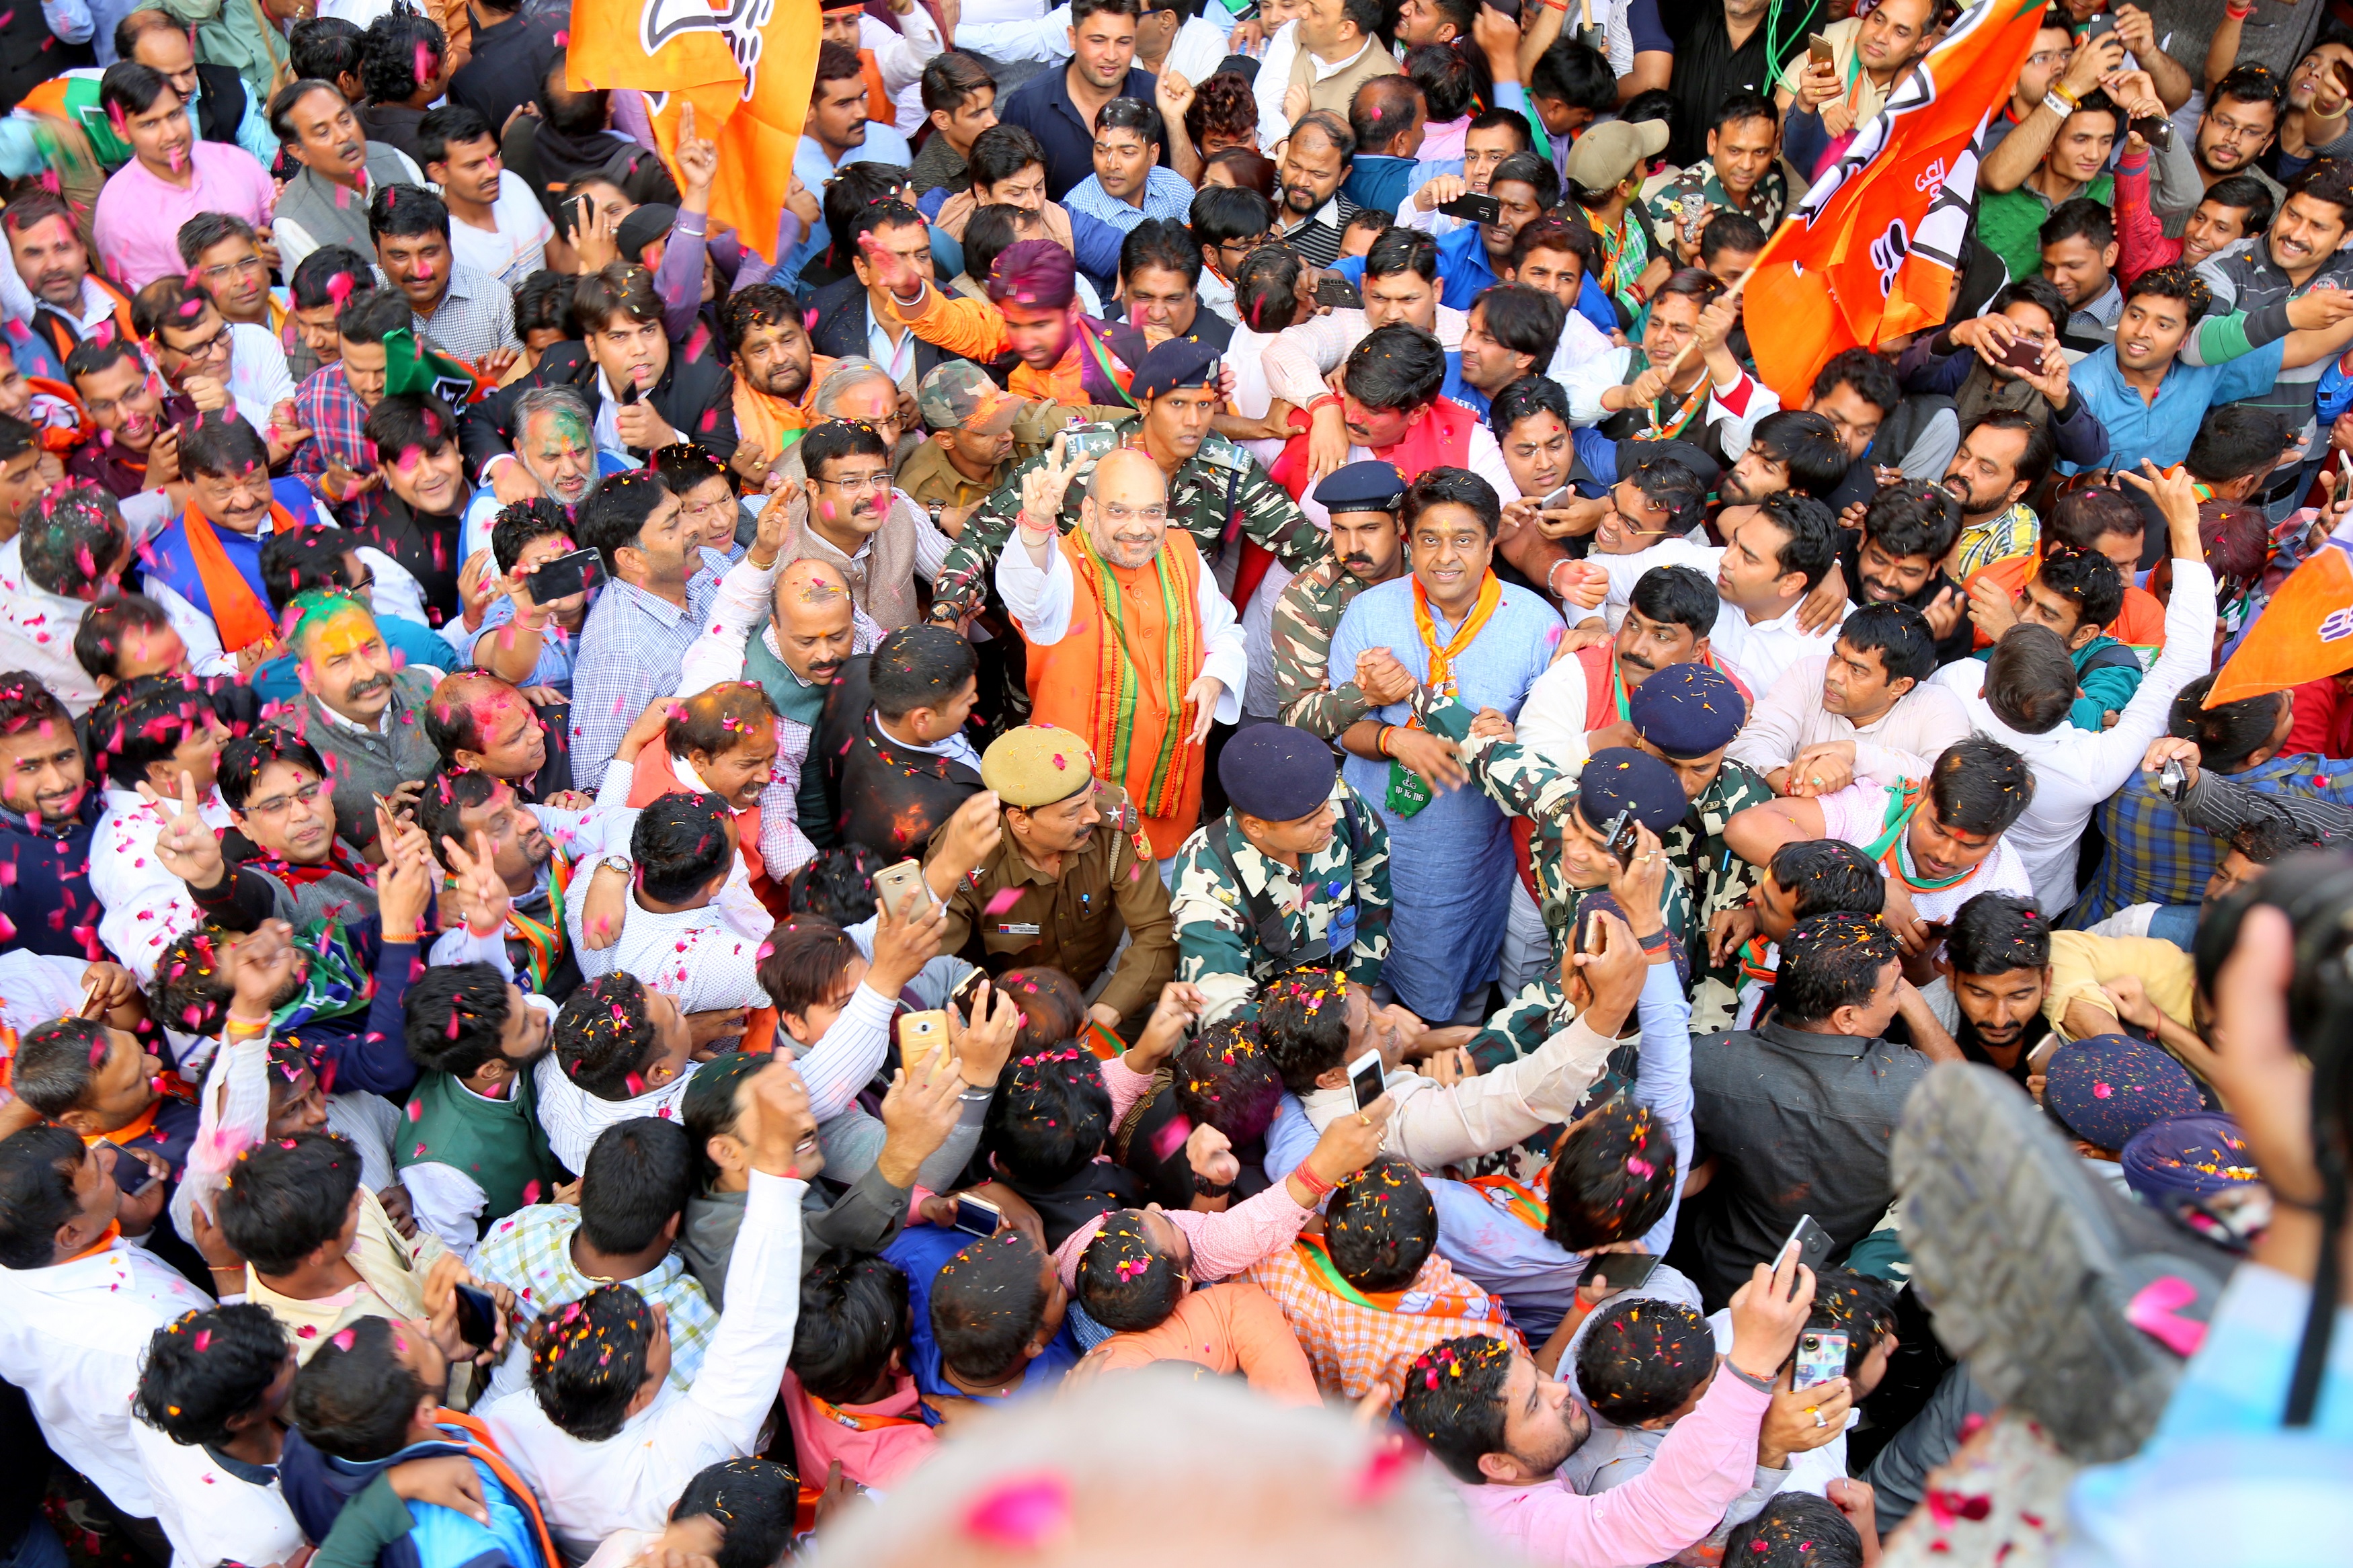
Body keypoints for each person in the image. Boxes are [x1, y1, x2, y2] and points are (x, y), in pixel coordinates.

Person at [475, 1058, 814, 1561]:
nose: (661, 1315)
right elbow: (756, 1325)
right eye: (656, 1333)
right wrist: (774, 1170)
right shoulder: (679, 1460)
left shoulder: (500, 1421)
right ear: (641, 1397)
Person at [1398, 1248, 1830, 1565]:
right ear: (1499, 1465)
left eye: (1540, 1382)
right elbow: (1661, 1514)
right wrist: (1753, 1372)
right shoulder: (1526, 1535)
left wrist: (1581, 1307)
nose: (1562, 1391)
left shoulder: (1460, 1436)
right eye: (1535, 1406)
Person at [1328, 468, 1561, 1023]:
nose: (1444, 557)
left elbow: (1550, 745)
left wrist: (1514, 736)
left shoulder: (1537, 626)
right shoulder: (1370, 612)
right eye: (1429, 539)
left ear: (1491, 542)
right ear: (1408, 538)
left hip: (1468, 856)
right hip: (1374, 843)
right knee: (1361, 1000)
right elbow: (1340, 728)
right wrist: (1392, 738)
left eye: (1463, 540)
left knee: (1455, 1000)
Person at [1934, 472, 2215, 915]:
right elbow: (2185, 665)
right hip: (2010, 906)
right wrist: (2184, 528)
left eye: (2044, 613)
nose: (2023, 617)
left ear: (2085, 635)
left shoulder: (1957, 686)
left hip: (1971, 899)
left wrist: (2009, 636)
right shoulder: (2091, 767)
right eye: (2025, 601)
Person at [1681, 911, 1930, 1307]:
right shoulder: (1912, 1084)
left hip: (1723, 1288)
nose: (1904, 995)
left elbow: (1682, 1174)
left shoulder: (1709, 1062)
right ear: (1847, 1017)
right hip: (1833, 1303)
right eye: (1897, 988)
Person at [0, 1126, 214, 1538]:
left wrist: (135, 1233)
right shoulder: (148, 1330)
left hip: (104, 1463)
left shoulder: (23, 1258)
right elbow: (240, 1385)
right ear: (70, 1235)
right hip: (184, 1494)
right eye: (96, 1170)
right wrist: (227, 1270)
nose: (113, 1158)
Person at [1727, 735, 2039, 977]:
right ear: (1925, 792)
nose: (1945, 855)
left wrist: (1919, 966)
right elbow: (1746, 827)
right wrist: (1867, 889)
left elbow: (1965, 999)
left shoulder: (2005, 891)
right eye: (1937, 830)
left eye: (1973, 846)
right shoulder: (1872, 810)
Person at [1171, 723, 1390, 1024]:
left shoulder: (1334, 804)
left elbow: (1373, 885)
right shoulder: (1207, 876)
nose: (1329, 820)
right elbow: (1224, 1011)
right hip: (1264, 1034)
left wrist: (1359, 997)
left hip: (1336, 998)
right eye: (1308, 821)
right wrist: (1328, 1040)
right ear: (1255, 827)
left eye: (1327, 806)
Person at [567, 471, 723, 791]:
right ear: (631, 559)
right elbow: (592, 783)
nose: (694, 527)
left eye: (682, 512)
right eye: (672, 524)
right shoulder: (621, 651)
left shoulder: (706, 563)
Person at [395, 961, 565, 1253]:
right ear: (490, 1071)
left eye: (523, 1004)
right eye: (525, 1026)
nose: (540, 1015)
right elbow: (457, 1261)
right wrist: (546, 1221)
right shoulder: (443, 1172)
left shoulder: (529, 1022)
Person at [1728, 603, 1972, 795]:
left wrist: (1853, 754)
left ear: (1899, 686)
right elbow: (1753, 743)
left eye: (1857, 670)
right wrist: (1788, 781)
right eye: (1836, 656)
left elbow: (1948, 784)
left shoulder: (1936, 706)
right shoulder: (1809, 673)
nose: (1833, 675)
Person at [265, 591, 440, 856]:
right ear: (308, 678)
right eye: (340, 661)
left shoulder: (430, 687)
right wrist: (383, 842)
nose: (368, 672)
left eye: (371, 648)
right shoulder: (282, 747)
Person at [89, 63, 276, 292]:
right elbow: (158, 306)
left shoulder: (234, 161)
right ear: (121, 131)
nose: (171, 134)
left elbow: (278, 230)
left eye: (175, 114)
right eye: (150, 124)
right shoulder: (118, 217)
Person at [1272, 461, 1409, 738]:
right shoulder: (1307, 599)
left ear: (1400, 522)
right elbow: (1296, 718)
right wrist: (1364, 693)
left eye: (1369, 529)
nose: (1353, 547)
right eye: (1341, 530)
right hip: (1343, 759)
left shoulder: (1434, 574)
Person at [993, 0, 1156, 200]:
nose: (1111, 55)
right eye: (1098, 41)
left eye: (1123, 42)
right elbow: (1002, 195)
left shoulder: (1156, 96)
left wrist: (1176, 124)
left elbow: (1182, 187)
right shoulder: (1028, 105)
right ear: (1072, 37)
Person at [268, 79, 430, 272]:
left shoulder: (394, 158)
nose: (343, 136)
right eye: (323, 132)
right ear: (298, 152)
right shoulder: (293, 225)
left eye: (345, 121)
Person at [1706, 493, 1845, 700]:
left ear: (1791, 582)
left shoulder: (1829, 650)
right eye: (1734, 541)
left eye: (1749, 559)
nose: (1726, 559)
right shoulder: (1699, 570)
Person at [368, 183, 518, 364]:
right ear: (378, 254)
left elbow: (522, 380)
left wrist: (499, 386)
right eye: (400, 256)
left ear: (449, 246)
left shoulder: (495, 300)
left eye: (429, 253)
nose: (418, 271)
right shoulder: (358, 301)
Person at [420, 104, 553, 288]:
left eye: (494, 156)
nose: (493, 171)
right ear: (438, 173)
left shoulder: (512, 183)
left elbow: (560, 257)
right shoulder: (439, 243)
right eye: (474, 165)